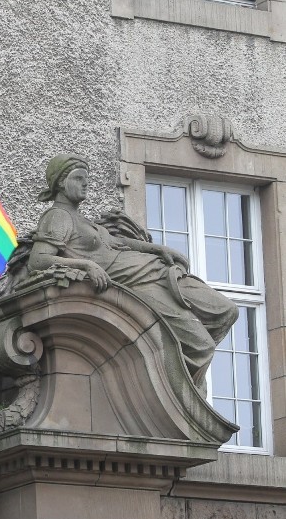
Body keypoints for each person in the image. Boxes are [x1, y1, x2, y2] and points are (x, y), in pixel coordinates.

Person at [27, 153, 238, 382]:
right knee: (201, 345)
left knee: (227, 311)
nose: (86, 183)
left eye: (86, 178)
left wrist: (158, 249)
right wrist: (86, 265)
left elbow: (119, 243)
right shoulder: (57, 216)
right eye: (78, 178)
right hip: (141, 287)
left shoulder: (84, 221)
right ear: (60, 182)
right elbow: (38, 261)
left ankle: (178, 369)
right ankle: (179, 389)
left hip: (160, 271)